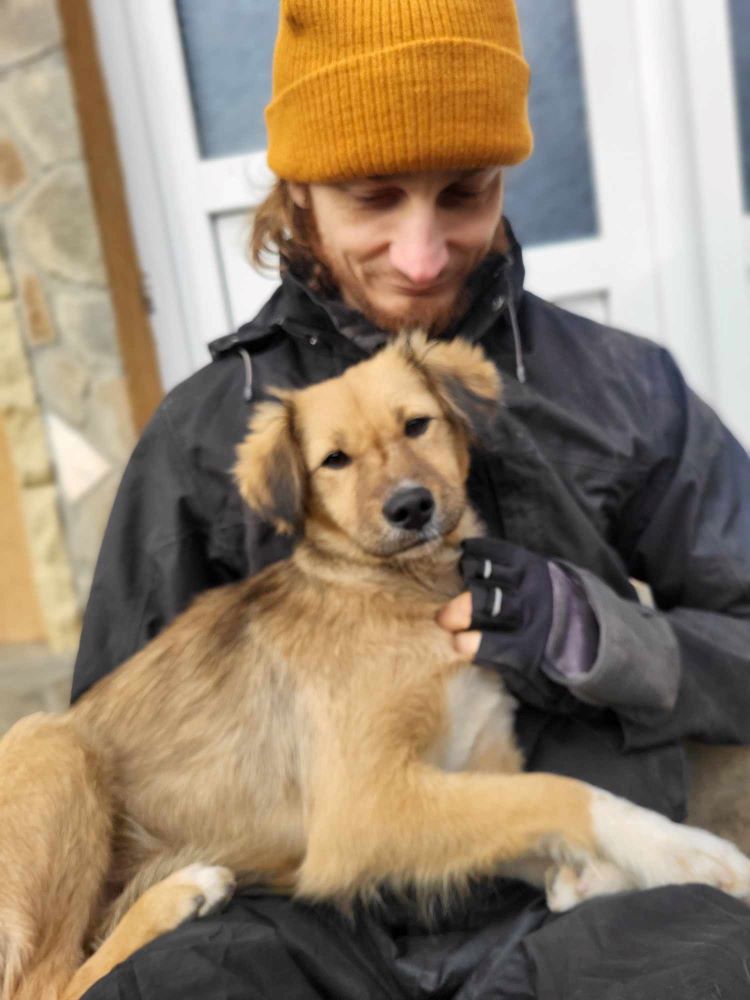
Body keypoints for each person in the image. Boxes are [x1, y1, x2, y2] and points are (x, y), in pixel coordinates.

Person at [74, 2, 750, 997]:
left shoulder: (620, 389)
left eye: (463, 194)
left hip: (579, 895)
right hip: (298, 919)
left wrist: (606, 637)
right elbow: (119, 747)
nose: (423, 256)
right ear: (298, 188)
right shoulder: (206, 434)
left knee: (705, 966)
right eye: (373, 198)